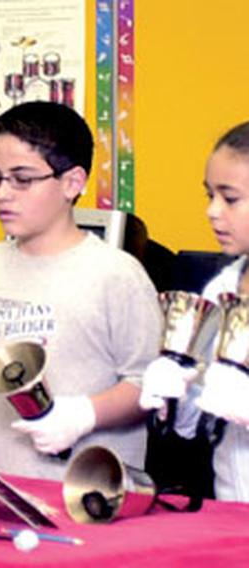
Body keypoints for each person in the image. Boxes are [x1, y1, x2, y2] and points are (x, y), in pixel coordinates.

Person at [0, 101, 162, 480]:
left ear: (72, 183)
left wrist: (82, 414)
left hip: (88, 495)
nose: (2, 193)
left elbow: (148, 386)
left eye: (22, 179)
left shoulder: (116, 275)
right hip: (1, 485)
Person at [140, 121, 249, 501]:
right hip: (234, 504)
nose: (212, 212)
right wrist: (175, 392)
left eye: (230, 198)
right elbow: (195, 426)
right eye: (209, 195)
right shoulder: (222, 290)